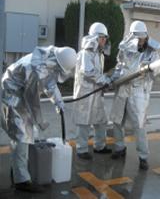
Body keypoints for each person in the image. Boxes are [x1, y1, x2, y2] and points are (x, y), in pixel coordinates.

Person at [1, 46, 77, 192]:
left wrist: (58, 101)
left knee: (25, 134)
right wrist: (40, 122)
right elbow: (32, 101)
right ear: (58, 63)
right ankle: (21, 180)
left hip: (19, 93)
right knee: (22, 136)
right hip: (12, 96)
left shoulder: (47, 60)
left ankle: (18, 170)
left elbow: (49, 83)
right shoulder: (34, 68)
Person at [109, 20, 160, 170]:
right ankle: (119, 148)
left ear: (146, 37)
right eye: (137, 38)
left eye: (142, 38)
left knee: (139, 126)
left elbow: (159, 72)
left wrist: (152, 70)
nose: (140, 41)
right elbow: (119, 66)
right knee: (117, 121)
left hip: (138, 92)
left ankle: (143, 156)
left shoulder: (152, 52)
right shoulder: (125, 49)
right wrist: (112, 79)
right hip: (122, 89)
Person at [73, 22, 112, 160]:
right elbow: (88, 72)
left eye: (105, 38)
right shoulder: (85, 53)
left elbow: (97, 74)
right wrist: (104, 80)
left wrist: (106, 81)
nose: (104, 40)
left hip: (96, 94)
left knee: (101, 120)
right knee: (84, 123)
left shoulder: (99, 55)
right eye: (102, 38)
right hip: (85, 94)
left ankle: (99, 146)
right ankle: (81, 149)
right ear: (94, 38)